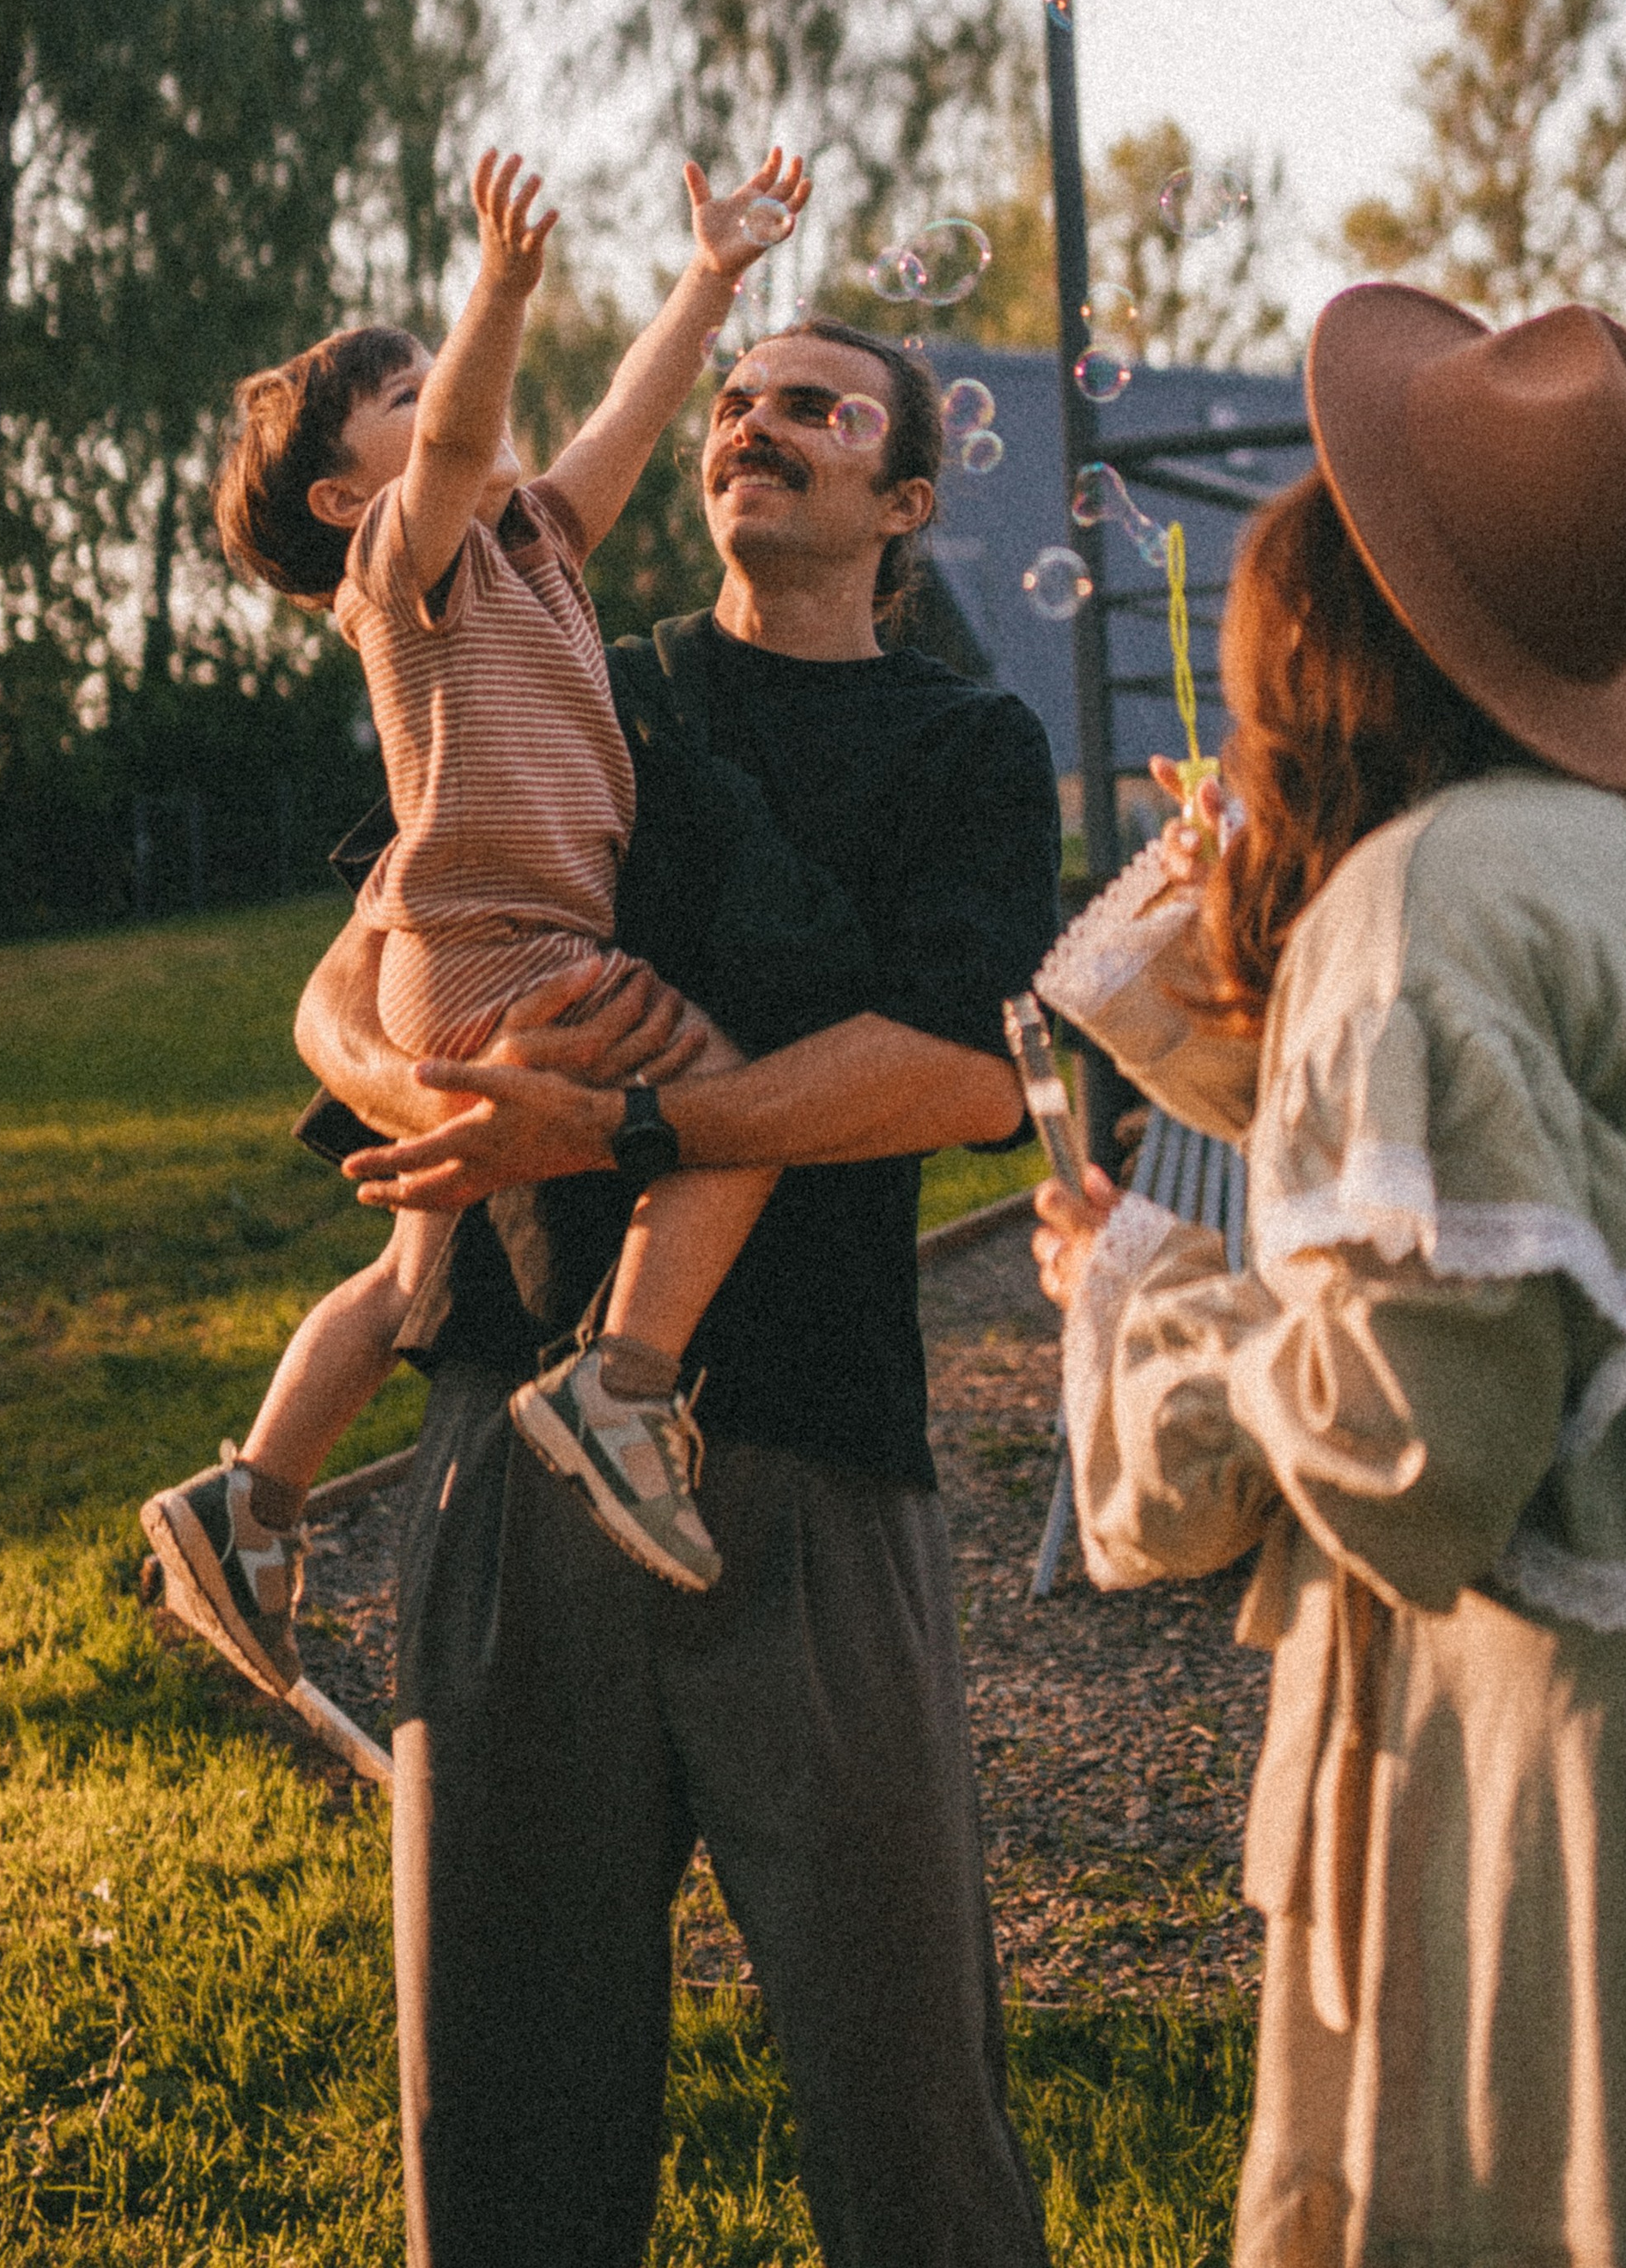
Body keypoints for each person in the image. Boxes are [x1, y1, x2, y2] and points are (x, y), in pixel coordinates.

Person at [1035, 287, 1626, 2268]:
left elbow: (1414, 1453)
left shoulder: (1425, 897)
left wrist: (1151, 1307)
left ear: (1316, 646)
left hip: (1587, 1769)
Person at [293, 313, 1061, 2268]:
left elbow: (973, 1074)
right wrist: (450, 1099)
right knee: (503, 2123)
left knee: (910, 2110)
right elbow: (355, 965)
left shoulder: (966, 744)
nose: (753, 424)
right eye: (738, 397)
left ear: (898, 507)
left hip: (805, 1457)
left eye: (818, 407)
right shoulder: (580, 672)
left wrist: (616, 1133)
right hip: (503, 1450)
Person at [143, 139, 812, 1685]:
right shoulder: (407, 566)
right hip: (511, 951)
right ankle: (621, 1385)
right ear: (346, 495)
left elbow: (627, 418)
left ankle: (248, 1503)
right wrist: (500, 287)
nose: (455, 393)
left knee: (410, 1277)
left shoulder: (532, 550)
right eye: (407, 394)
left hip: (470, 955)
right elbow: (456, 442)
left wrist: (713, 277)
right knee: (746, 1102)